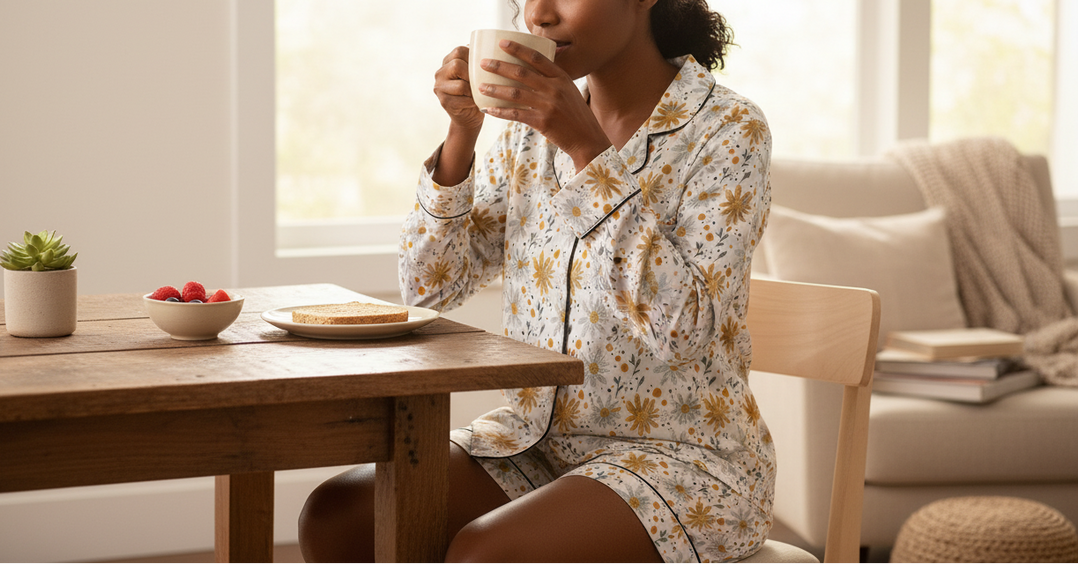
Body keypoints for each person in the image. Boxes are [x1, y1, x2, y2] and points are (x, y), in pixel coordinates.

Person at [298, 0, 775, 562]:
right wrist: (461, 135)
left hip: (683, 461)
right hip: (531, 443)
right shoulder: (529, 133)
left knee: (489, 555)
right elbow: (430, 290)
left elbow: (684, 331)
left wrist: (586, 151)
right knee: (339, 519)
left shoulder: (728, 130)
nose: (538, 15)